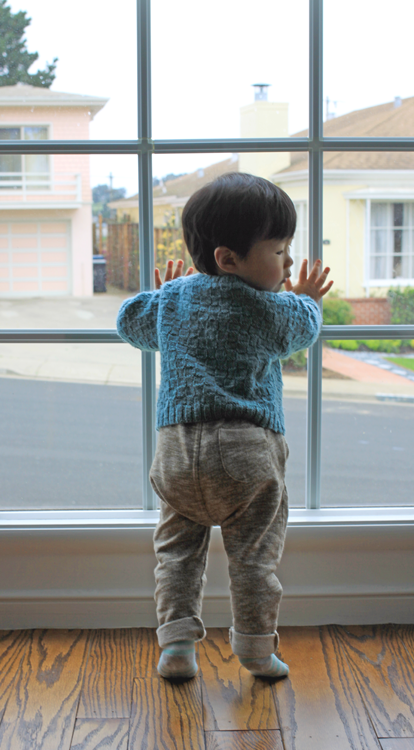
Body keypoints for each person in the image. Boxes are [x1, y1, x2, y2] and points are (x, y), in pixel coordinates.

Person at [116, 172, 333, 681]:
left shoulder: (174, 299)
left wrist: (163, 297)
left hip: (176, 452)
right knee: (254, 559)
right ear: (228, 259)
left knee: (176, 554)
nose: (287, 263)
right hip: (246, 452)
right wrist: (307, 298)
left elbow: (129, 323)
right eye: (278, 251)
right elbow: (304, 327)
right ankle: (255, 648)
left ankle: (176, 647)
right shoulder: (270, 308)